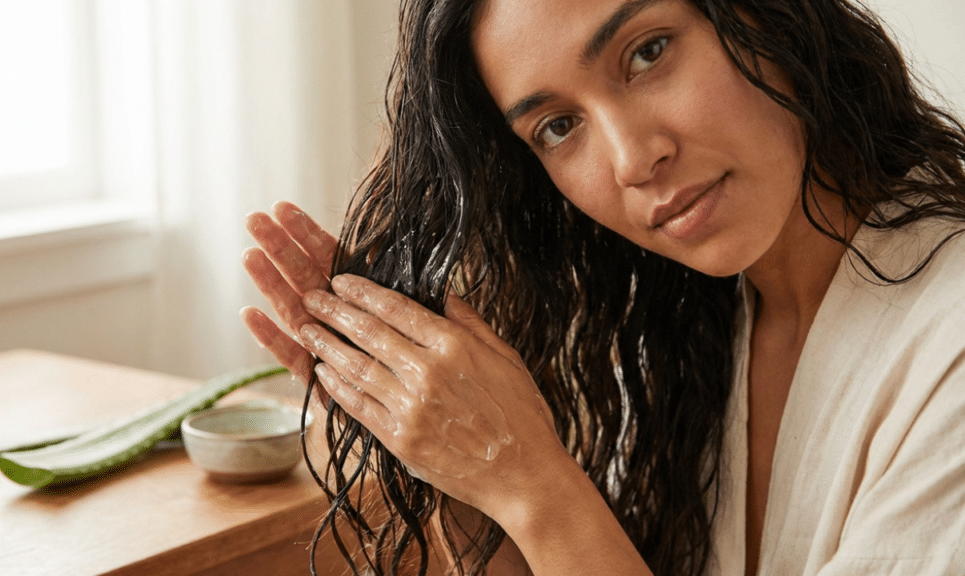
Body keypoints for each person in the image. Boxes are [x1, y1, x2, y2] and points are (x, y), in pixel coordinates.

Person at [240, 0, 965, 574]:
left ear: (763, 16)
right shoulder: (680, 326)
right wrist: (438, 454)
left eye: (647, 53)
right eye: (558, 127)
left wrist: (526, 478)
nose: (632, 158)